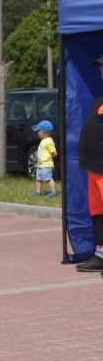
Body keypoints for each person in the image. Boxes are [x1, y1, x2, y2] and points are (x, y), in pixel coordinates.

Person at [76, 55, 103, 272]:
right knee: (98, 212)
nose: (101, 70)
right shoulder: (99, 99)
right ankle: (100, 256)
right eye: (101, 66)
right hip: (93, 167)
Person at [31, 120, 58, 198]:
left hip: (46, 164)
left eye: (38, 131)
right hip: (40, 164)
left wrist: (51, 156)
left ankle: (53, 192)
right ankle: (38, 191)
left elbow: (54, 153)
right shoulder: (44, 141)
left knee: (48, 178)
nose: (38, 133)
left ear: (42, 132)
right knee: (39, 179)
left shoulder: (49, 142)